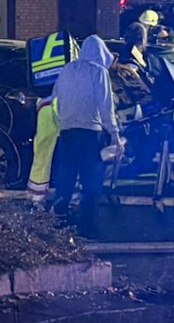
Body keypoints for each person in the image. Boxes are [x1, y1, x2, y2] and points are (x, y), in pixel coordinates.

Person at [48, 34, 120, 232]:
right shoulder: (98, 72)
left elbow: (56, 99)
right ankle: (88, 225)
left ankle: (59, 223)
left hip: (67, 134)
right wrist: (115, 135)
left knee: (66, 179)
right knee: (92, 183)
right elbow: (105, 107)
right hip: (90, 135)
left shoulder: (67, 69)